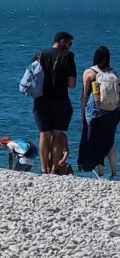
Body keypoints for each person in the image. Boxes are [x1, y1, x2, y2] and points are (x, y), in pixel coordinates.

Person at [32, 31, 78, 174]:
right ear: (62, 41)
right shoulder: (68, 56)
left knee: (44, 135)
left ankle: (43, 169)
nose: (70, 47)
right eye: (69, 43)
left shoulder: (39, 55)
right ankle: (54, 169)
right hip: (60, 100)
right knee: (57, 134)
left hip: (40, 100)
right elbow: (72, 84)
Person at [78, 46, 120, 178]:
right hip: (113, 111)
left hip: (96, 111)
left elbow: (84, 94)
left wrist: (82, 113)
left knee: (96, 140)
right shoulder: (113, 73)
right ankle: (114, 173)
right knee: (110, 141)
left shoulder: (89, 73)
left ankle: (101, 172)